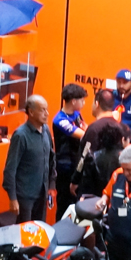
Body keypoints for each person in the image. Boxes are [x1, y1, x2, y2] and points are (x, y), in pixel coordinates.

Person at [3, 94, 55, 222]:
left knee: (39, 228)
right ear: (31, 112)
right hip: (25, 196)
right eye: (43, 110)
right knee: (24, 230)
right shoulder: (21, 136)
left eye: (47, 109)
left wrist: (51, 185)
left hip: (42, 194)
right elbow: (10, 169)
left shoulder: (46, 130)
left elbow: (51, 158)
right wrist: (13, 198)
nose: (47, 114)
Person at [75, 90, 129, 200]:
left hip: (92, 187)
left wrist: (75, 179)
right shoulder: (120, 127)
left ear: (97, 103)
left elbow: (85, 156)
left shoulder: (94, 128)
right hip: (112, 186)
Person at [52, 84, 88, 218]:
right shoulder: (60, 120)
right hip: (65, 168)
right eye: (82, 100)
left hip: (77, 163)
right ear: (73, 101)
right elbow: (83, 134)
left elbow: (86, 127)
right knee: (64, 204)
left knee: (75, 203)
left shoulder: (77, 114)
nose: (84, 103)